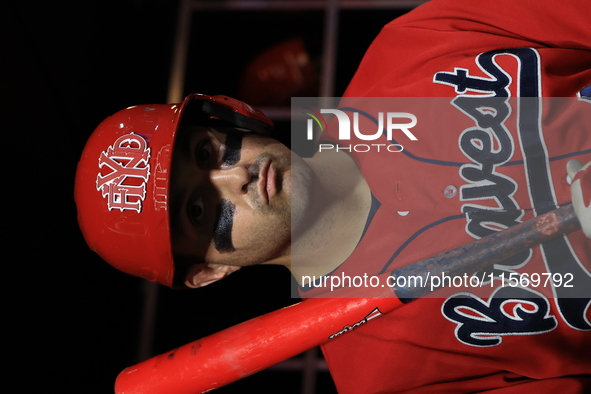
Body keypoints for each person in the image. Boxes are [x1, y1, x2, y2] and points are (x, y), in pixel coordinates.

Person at [75, 0, 591, 392]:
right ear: (209, 270)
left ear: (230, 118)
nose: (236, 179)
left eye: (209, 154)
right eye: (198, 210)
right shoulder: (383, 376)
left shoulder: (413, 45)